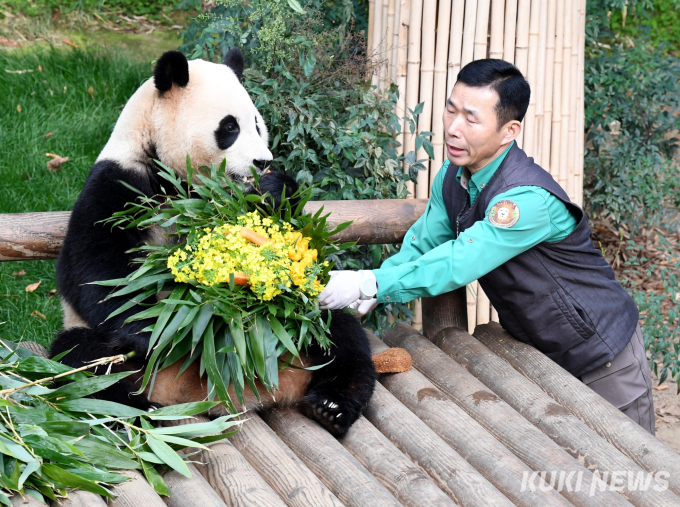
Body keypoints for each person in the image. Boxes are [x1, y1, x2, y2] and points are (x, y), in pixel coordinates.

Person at [318, 59, 655, 434]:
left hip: (603, 356)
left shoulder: (527, 199)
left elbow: (460, 260)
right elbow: (425, 243)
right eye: (450, 110)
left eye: (471, 119)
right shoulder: (453, 176)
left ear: (509, 130)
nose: (453, 128)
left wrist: (371, 283)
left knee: (630, 472)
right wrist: (378, 284)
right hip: (540, 355)